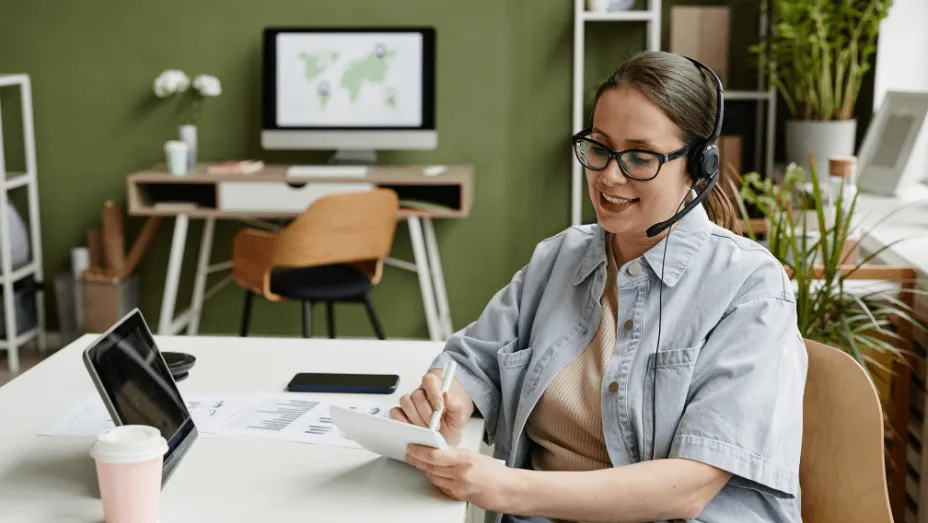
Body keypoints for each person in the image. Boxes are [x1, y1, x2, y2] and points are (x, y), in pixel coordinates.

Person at [390, 50, 808, 523]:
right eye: (600, 148)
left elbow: (688, 487)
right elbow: (473, 359)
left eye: (639, 157)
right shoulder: (560, 258)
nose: (609, 175)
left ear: (697, 166)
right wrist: (448, 396)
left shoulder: (749, 287)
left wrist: (507, 487)